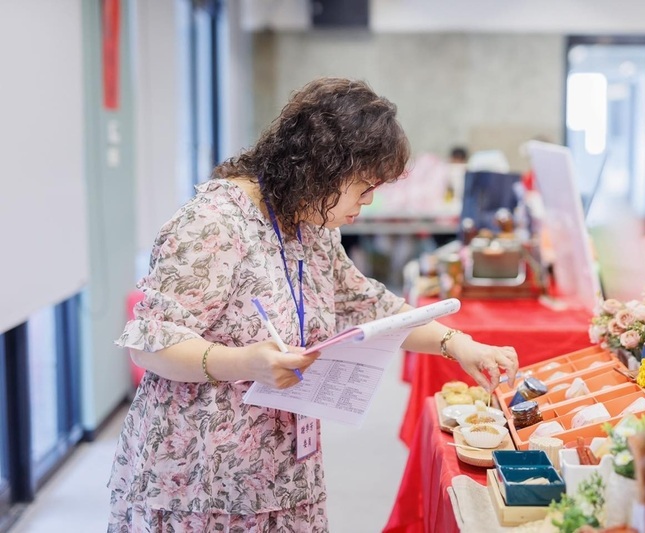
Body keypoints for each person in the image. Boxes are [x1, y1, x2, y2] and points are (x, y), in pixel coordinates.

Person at [108, 77, 518, 532]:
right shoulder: (212, 224)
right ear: (320, 168)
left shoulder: (311, 224)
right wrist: (245, 362)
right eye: (363, 187)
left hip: (283, 469)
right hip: (201, 481)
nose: (368, 201)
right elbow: (150, 346)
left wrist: (456, 344)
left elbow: (368, 306)